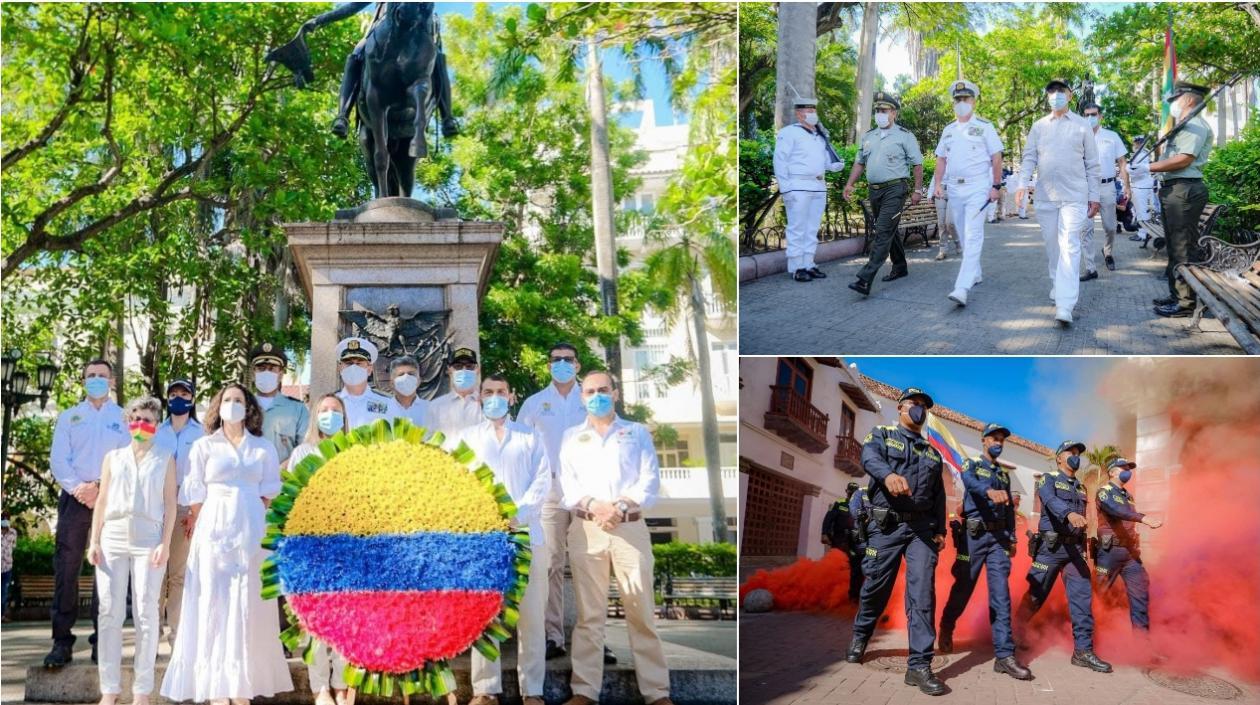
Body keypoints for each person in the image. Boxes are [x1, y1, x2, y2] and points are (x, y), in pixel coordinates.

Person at [160, 384, 294, 704]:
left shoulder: (263, 448)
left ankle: (241, 688)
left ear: (248, 407)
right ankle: (217, 688)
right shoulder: (204, 446)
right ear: (217, 407)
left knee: (247, 605)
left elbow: (269, 492)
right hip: (213, 532)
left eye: (239, 400)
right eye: (227, 400)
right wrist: (211, 524)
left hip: (250, 532)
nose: (233, 405)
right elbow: (194, 496)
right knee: (213, 603)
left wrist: (247, 516)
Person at [558, 371, 671, 705]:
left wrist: (618, 507)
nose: (597, 396)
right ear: (582, 398)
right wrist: (596, 506)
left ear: (616, 393)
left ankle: (657, 692)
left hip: (629, 528)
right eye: (590, 391)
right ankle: (584, 691)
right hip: (586, 530)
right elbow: (569, 486)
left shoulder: (635, 433)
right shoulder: (570, 437)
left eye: (603, 390)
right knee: (589, 617)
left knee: (641, 612)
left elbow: (649, 481)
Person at [450, 375, 551, 705]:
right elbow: (455, 483)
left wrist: (516, 514)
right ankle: (485, 689)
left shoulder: (531, 437)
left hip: (526, 534)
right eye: (488, 392)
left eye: (500, 392)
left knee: (531, 616)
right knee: (485, 615)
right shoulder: (465, 440)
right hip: (483, 539)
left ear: (511, 397)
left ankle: (532, 689)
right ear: (479, 397)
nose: (494, 397)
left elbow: (542, 483)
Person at [846, 388, 947, 697]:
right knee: (876, 588)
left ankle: (918, 666)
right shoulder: (882, 434)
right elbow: (869, 458)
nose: (920, 410)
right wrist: (887, 474)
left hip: (921, 530)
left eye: (924, 407)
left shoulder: (932, 453)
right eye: (914, 404)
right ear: (901, 408)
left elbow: (938, 496)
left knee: (922, 595)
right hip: (886, 526)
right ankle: (861, 634)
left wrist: (940, 529)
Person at [88, 396, 178, 705]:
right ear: (129, 422)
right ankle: (109, 690)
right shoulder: (113, 458)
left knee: (146, 612)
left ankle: (142, 691)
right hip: (112, 537)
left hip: (148, 539)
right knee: (109, 611)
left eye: (149, 420)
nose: (142, 425)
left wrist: (165, 544)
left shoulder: (166, 458)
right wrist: (94, 540)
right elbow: (101, 501)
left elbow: (169, 504)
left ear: (156, 424)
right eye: (137, 419)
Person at [45, 359, 131, 667]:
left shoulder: (123, 418)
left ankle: (102, 642)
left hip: (112, 501)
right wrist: (79, 488)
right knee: (66, 571)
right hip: (73, 499)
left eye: (102, 376)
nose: (96, 379)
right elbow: (58, 459)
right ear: (83, 380)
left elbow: (126, 458)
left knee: (106, 575)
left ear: (111, 381)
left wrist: (100, 488)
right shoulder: (70, 417)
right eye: (90, 375)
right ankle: (61, 642)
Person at [937, 423, 1032, 681]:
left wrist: (1012, 538)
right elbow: (969, 482)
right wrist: (988, 491)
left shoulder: (1003, 474)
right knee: (963, 588)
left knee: (1001, 596)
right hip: (973, 538)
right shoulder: (972, 465)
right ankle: (946, 626)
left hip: (998, 540)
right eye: (994, 438)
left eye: (1002, 439)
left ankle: (1004, 656)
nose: (999, 442)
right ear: (984, 441)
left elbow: (1009, 510)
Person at [516, 343, 591, 661]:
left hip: (589, 494)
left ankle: (596, 638)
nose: (562, 364)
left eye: (568, 360)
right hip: (549, 495)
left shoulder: (590, 401)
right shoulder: (535, 404)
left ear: (577, 365)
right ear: (549, 366)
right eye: (556, 360)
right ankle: (553, 635)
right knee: (550, 565)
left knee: (591, 566)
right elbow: (521, 449)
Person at [1014, 440, 1112, 673]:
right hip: (1050, 549)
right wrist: (1068, 514)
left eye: (1078, 453)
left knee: (1082, 601)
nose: (1075, 456)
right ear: (1059, 458)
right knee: (1036, 595)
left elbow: (1086, 519)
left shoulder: (1080, 488)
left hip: (1074, 551)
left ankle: (1083, 651)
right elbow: (1049, 500)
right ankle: (1012, 635)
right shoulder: (1049, 479)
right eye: (1070, 452)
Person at [1016, 79, 1101, 326]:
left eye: (1060, 92)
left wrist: (1094, 196)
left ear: (1070, 95)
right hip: (1045, 197)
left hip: (1075, 196)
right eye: (1051, 92)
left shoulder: (1082, 125)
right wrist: (1022, 183)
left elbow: (1092, 164)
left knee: (1070, 246)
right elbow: (1029, 156)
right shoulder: (1039, 126)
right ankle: (1057, 283)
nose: (1055, 96)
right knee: (1053, 246)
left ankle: (1065, 304)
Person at [288, 394, 352, 705]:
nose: (329, 415)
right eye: (324, 410)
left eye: (335, 410)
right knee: (315, 620)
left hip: (348, 543)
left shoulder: (355, 451)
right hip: (312, 544)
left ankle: (341, 684)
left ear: (344, 416)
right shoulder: (303, 453)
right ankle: (320, 687)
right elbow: (295, 498)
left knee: (345, 619)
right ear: (315, 417)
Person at [844, 92, 925, 296]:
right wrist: (850, 184)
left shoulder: (905, 136)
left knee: (882, 230)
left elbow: (917, 164)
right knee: (889, 230)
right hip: (875, 190)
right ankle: (900, 266)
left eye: (884, 110)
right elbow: (859, 162)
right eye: (877, 110)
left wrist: (917, 190)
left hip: (895, 189)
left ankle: (865, 278)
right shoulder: (869, 136)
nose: (880, 114)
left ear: (894, 113)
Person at [932, 80, 1004, 308]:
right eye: (958, 100)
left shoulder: (985, 127)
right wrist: (937, 184)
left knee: (972, 235)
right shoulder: (948, 130)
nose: (961, 103)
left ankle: (962, 287)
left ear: (973, 101)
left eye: (965, 99)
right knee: (961, 231)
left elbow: (996, 157)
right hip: (955, 188)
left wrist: (995, 186)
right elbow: (941, 158)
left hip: (977, 187)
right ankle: (976, 272)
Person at [1150, 81, 1214, 318]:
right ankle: (1176, 294)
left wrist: (1149, 167)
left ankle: (1186, 303)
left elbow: (1184, 159)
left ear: (1187, 100)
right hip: (1176, 189)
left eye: (1174, 100)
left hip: (1183, 190)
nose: (1172, 105)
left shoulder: (1194, 125)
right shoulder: (1186, 125)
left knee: (1182, 246)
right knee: (1175, 245)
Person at [152, 379, 204, 647]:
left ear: (193, 399)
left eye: (184, 394)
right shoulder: (156, 432)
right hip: (156, 508)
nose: (179, 398)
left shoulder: (201, 433)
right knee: (156, 571)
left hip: (185, 508)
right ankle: (151, 635)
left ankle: (176, 636)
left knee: (179, 574)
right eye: (174, 394)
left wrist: (197, 510)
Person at [772, 97, 845, 282]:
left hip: (818, 186)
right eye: (808, 110)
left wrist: (834, 165)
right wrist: (785, 189)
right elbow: (780, 160)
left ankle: (809, 263)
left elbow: (823, 161)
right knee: (797, 228)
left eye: (813, 110)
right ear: (798, 113)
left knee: (812, 228)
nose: (812, 113)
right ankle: (797, 267)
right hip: (798, 186)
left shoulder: (818, 136)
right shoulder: (789, 133)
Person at [1095, 457, 1162, 632]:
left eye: (1129, 468)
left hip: (1130, 553)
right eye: (1123, 467)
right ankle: (1089, 641)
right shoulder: (1104, 492)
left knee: (1140, 592)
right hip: (1109, 552)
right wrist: (1143, 518)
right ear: (1112, 472)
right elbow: (1117, 511)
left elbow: (1128, 516)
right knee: (1100, 595)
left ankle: (1142, 646)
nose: (1127, 471)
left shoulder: (1128, 496)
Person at [1079, 103, 1130, 277]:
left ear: (1100, 116)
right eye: (1086, 115)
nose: (1089, 118)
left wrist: (1127, 187)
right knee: (1086, 228)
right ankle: (1090, 267)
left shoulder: (1112, 136)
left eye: (1093, 114)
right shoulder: (1078, 136)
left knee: (1110, 226)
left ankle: (1107, 251)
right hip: (1085, 187)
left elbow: (1122, 163)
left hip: (1107, 186)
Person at [251, 343, 309, 466]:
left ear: (281, 374)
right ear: (253, 373)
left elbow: (304, 450)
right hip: (247, 482)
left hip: (283, 481)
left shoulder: (298, 409)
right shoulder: (243, 406)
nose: (266, 372)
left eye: (272, 369)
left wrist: (280, 471)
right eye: (261, 368)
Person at [334, 337, 403, 430]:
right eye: (349, 363)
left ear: (369, 369)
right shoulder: (330, 403)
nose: (353, 367)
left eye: (359, 363)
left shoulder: (387, 403)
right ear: (340, 368)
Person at [820, 481, 865, 603]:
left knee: (856, 569)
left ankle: (853, 597)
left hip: (855, 542)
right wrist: (824, 533)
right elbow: (828, 519)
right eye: (851, 492)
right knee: (838, 567)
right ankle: (830, 595)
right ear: (847, 492)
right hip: (840, 541)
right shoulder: (840, 503)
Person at [428, 347, 484, 437]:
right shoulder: (436, 406)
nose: (464, 370)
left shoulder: (486, 406)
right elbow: (427, 441)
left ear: (477, 370)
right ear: (449, 370)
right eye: (458, 366)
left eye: (469, 366)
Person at [1127, 136, 1157, 248]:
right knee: (1138, 211)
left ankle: (1143, 235)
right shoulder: (1138, 154)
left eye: (1138, 142)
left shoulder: (1142, 154)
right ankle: (1141, 233)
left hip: (1142, 185)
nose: (1136, 144)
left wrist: (1128, 169)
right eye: (1135, 142)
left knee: (1142, 211)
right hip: (1138, 185)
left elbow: (1139, 170)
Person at [387, 355, 430, 429]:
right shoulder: (383, 410)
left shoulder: (431, 409)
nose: (406, 377)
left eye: (411, 374)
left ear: (419, 381)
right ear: (392, 383)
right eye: (401, 374)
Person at [2, 514, 16, 622]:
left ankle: (2, 615)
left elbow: (13, 547)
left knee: (4, 592)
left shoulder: (13, 533)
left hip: (7, 567)